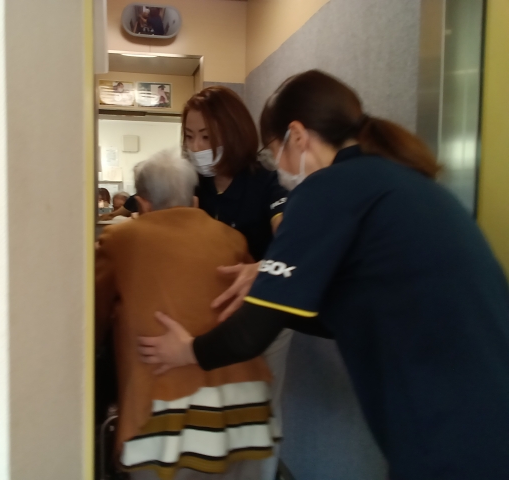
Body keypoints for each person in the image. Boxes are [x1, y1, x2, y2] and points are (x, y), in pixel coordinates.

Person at [137, 70, 509, 480]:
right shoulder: (397, 178)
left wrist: (187, 351)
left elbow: (249, 336)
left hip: (450, 417)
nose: (279, 168)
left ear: (297, 136)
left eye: (274, 150)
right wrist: (270, 288)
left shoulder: (326, 188)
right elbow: (345, 311)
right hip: (485, 394)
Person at [100, 88, 290, 479]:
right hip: (201, 319)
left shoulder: (264, 183)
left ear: (232, 132)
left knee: (252, 406)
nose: (197, 146)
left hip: (258, 313)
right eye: (189, 136)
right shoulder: (193, 182)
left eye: (206, 136)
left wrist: (263, 267)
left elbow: (289, 238)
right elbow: (143, 203)